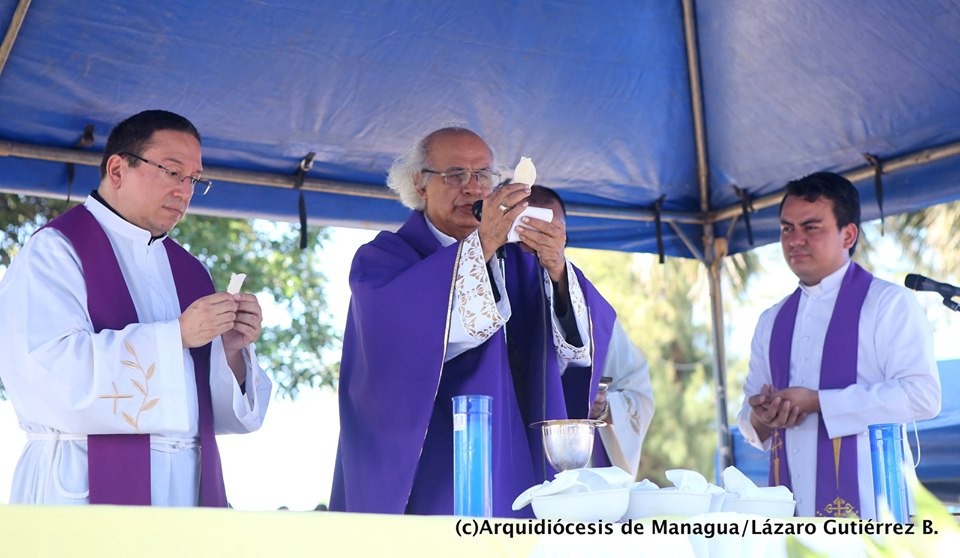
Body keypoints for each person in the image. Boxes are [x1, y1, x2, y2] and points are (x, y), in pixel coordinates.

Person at [330, 127, 626, 517]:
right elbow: (398, 345)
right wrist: (482, 245)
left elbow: (577, 347)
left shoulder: (521, 258)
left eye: (483, 176)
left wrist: (556, 268)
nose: (472, 189)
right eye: (455, 175)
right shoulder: (385, 259)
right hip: (436, 465)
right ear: (419, 184)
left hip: (519, 461)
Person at [0, 110, 272, 507]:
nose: (185, 191)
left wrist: (230, 351)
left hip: (184, 488)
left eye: (194, 180)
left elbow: (211, 414)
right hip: (82, 483)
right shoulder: (55, 251)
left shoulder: (190, 271)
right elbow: (47, 374)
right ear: (117, 169)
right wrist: (175, 336)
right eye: (172, 171)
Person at [736, 171, 941, 520]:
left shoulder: (888, 304)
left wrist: (818, 402)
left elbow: (922, 396)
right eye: (787, 228)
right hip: (793, 514)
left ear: (848, 234)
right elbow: (748, 420)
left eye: (810, 227)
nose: (795, 240)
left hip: (875, 515)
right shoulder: (772, 320)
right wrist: (762, 415)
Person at [522, 185, 655, 475]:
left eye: (550, 230)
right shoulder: (485, 300)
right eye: (527, 226)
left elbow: (639, 393)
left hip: (578, 470)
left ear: (564, 235)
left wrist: (607, 407)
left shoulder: (590, 309)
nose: (539, 239)